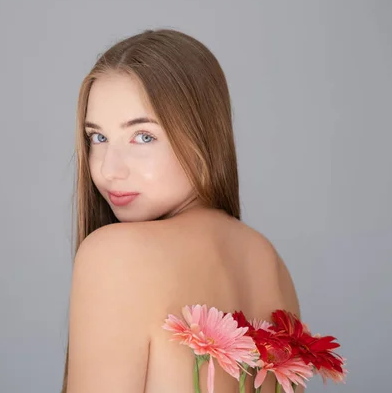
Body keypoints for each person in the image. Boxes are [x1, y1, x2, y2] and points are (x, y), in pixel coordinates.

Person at [61, 28, 302, 393]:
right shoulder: (268, 260)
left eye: (144, 136)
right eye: (98, 137)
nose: (110, 169)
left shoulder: (115, 254)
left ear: (202, 135)